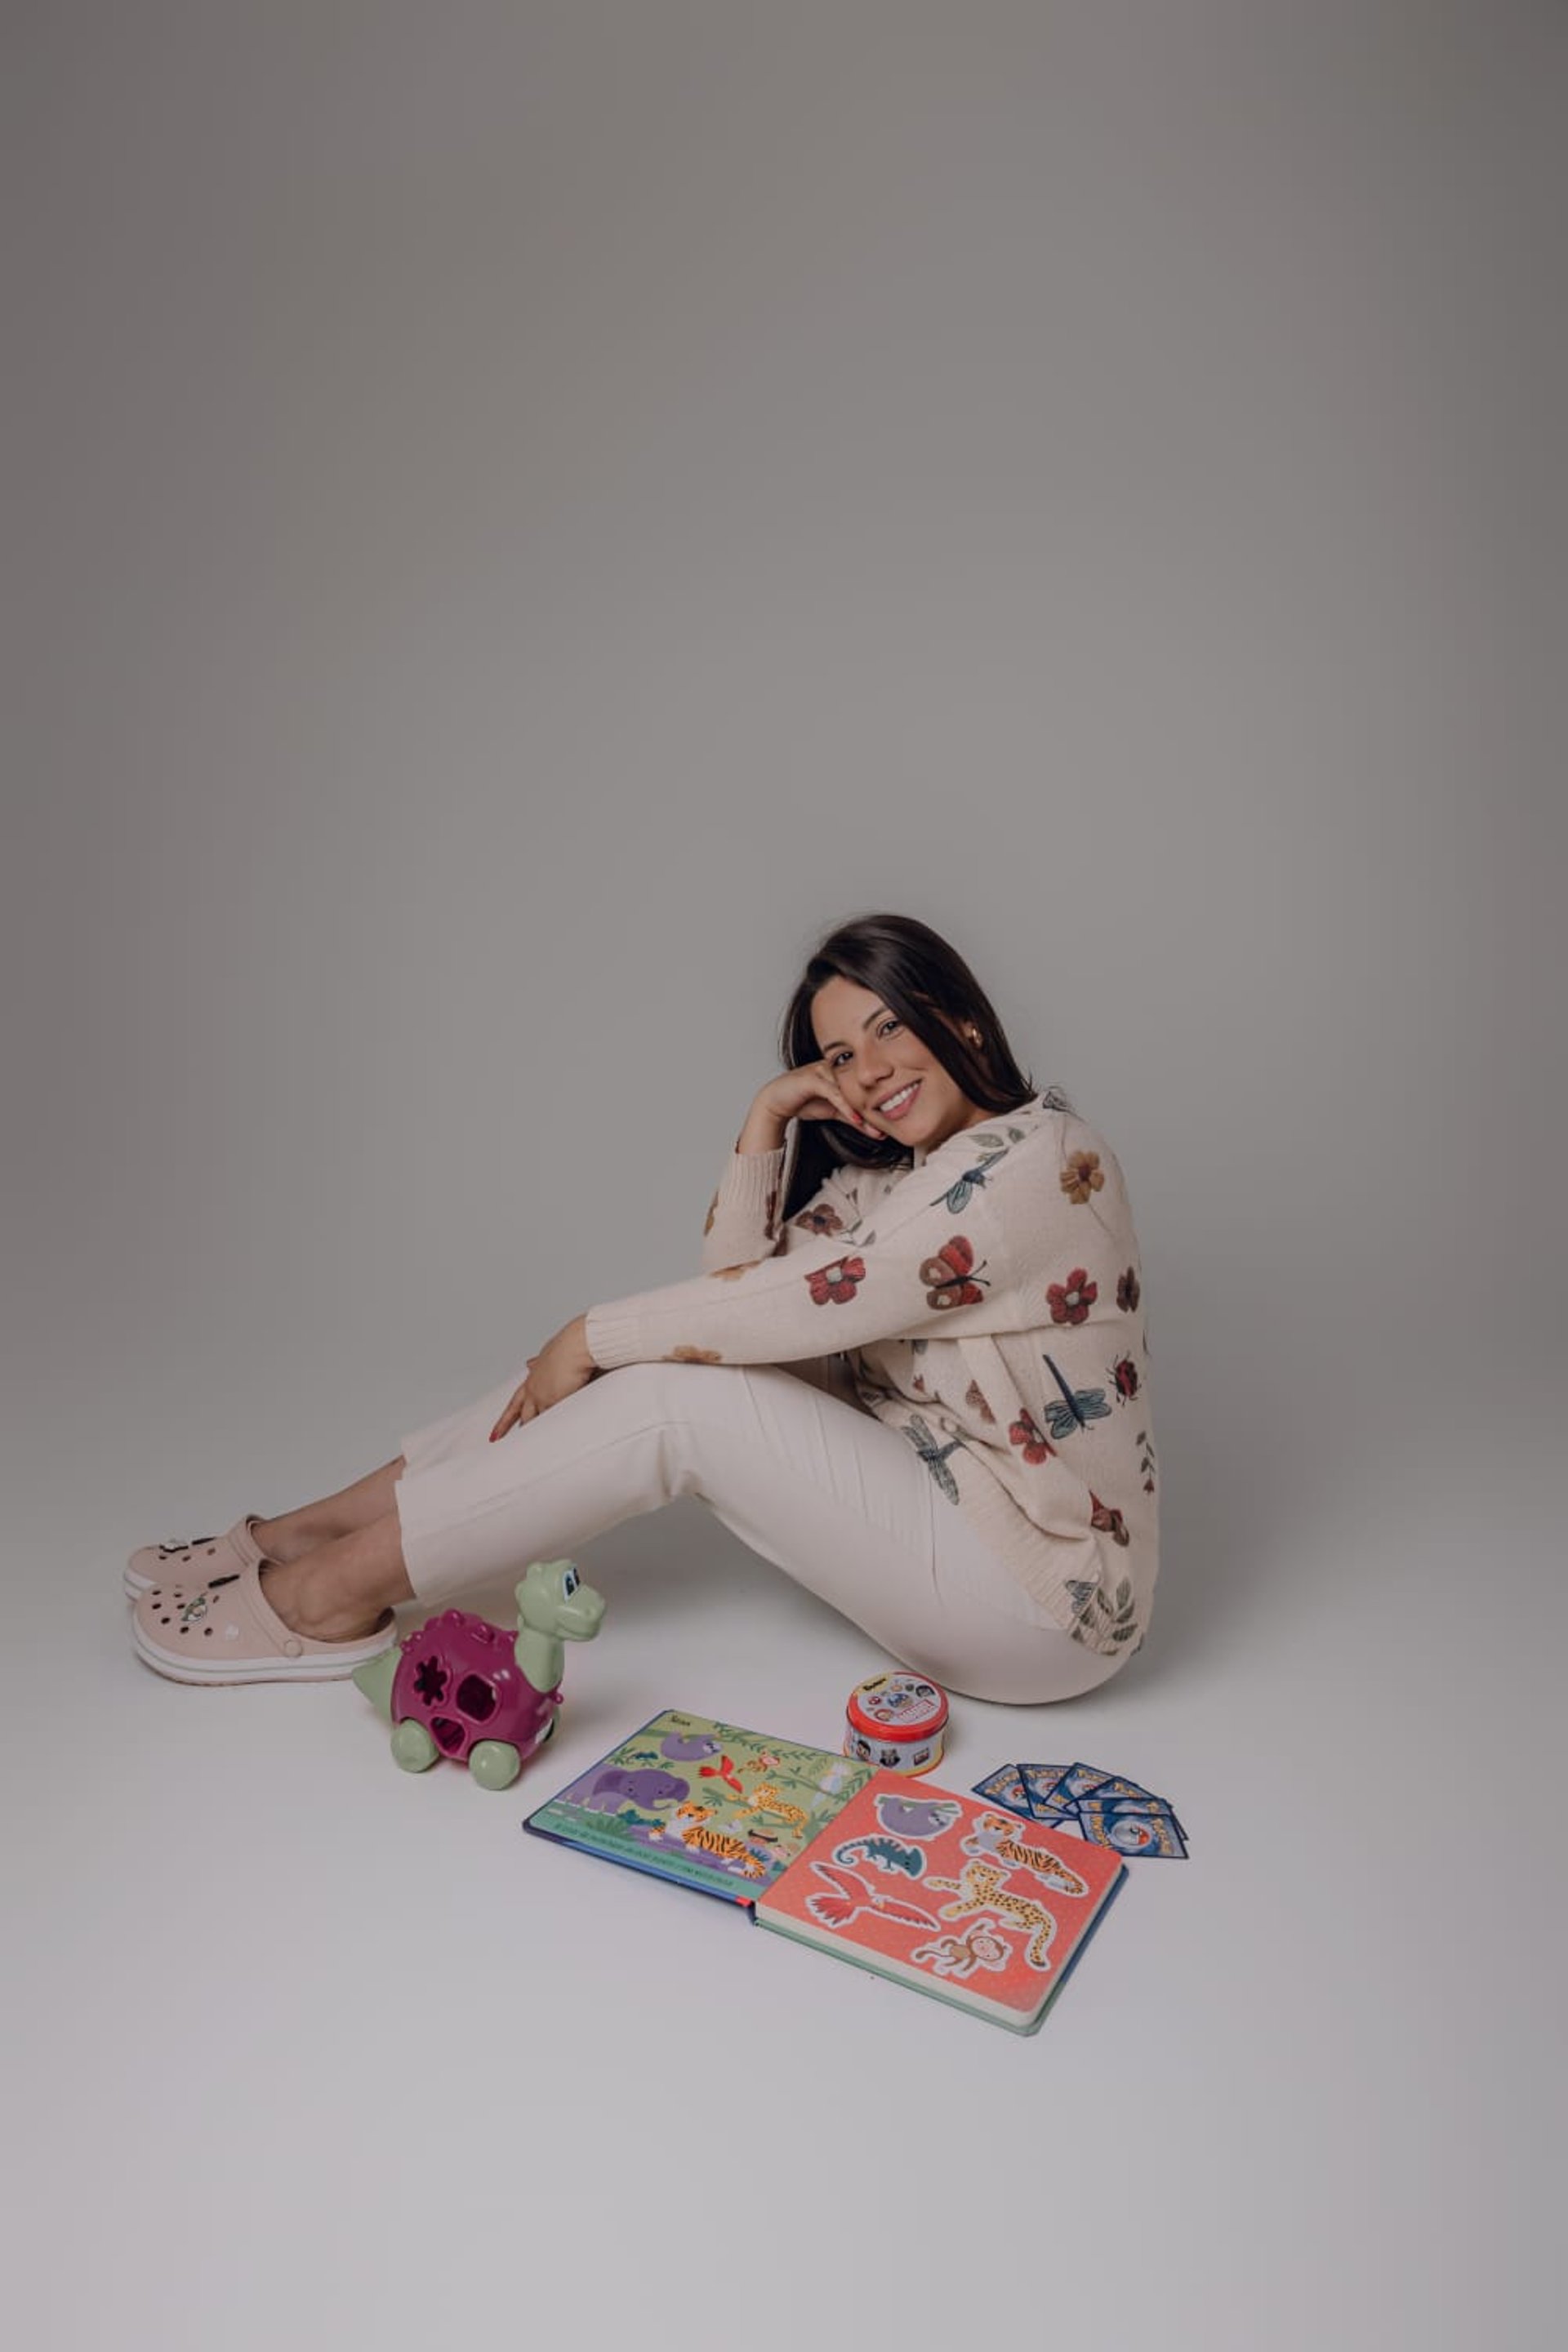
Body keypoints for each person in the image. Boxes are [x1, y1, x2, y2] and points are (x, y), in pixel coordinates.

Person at [127, 913, 1157, 1704]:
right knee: (663, 1366)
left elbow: (780, 1312)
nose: (871, 1070)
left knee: (663, 1394)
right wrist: (766, 1116)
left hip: (1046, 1605)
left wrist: (585, 1335)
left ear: (962, 1017)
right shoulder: (904, 1176)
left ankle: (327, 1598)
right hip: (948, 1520)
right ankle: (300, 1540)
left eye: (891, 1028)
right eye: (841, 1054)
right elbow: (734, 1304)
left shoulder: (1040, 1164)